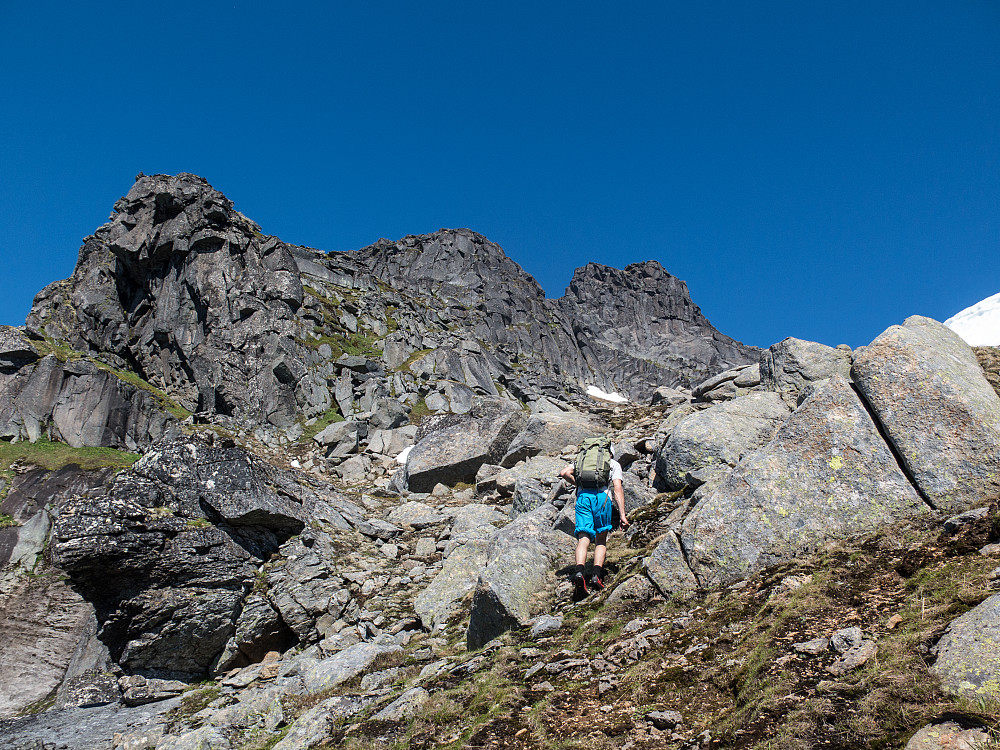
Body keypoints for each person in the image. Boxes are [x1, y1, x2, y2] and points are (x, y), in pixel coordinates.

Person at [559, 448, 629, 594]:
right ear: (610, 453)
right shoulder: (613, 464)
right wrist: (622, 514)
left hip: (584, 498)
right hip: (602, 500)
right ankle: (596, 575)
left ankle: (579, 572)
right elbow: (617, 488)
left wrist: (579, 485)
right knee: (601, 540)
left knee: (583, 538)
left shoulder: (582, 461)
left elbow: (564, 473)